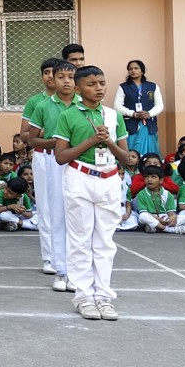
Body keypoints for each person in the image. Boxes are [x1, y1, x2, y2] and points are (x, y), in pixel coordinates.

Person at [52, 65, 131, 321]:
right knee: (80, 239)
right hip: (79, 177)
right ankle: (84, 297)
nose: (98, 88)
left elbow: (127, 159)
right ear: (78, 89)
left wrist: (107, 141)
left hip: (108, 178)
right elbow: (61, 156)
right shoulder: (68, 115)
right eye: (91, 84)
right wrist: (89, 141)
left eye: (101, 83)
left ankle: (104, 296)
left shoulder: (112, 116)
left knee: (105, 241)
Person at [29, 61, 79, 292]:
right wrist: (60, 141)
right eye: (61, 77)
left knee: (76, 213)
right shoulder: (42, 106)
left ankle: (77, 266)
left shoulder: (86, 106)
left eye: (71, 77)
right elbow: (32, 139)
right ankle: (55, 262)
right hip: (49, 158)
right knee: (52, 210)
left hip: (77, 161)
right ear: (52, 80)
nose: (66, 81)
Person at [114, 60, 163, 158]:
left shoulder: (152, 86)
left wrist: (149, 114)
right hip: (131, 125)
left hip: (149, 124)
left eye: (136, 68)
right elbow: (117, 106)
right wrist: (134, 114)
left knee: (152, 151)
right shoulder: (123, 87)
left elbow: (159, 105)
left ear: (142, 71)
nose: (133, 71)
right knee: (132, 151)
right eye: (130, 69)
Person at [135, 165, 185, 234]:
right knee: (142, 216)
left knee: (184, 216)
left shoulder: (168, 194)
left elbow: (171, 212)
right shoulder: (141, 194)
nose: (149, 179)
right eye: (147, 177)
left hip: (164, 217)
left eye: (153, 177)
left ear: (161, 180)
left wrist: (173, 217)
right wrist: (158, 219)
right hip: (151, 217)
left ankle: (156, 227)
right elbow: (143, 212)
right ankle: (168, 229)